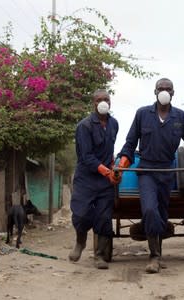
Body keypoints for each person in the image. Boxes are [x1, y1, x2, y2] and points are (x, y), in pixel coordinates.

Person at [117, 78, 184, 274]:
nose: (164, 91)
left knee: (160, 212)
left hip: (168, 172)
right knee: (150, 209)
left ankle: (157, 249)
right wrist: (122, 163)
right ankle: (153, 256)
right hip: (146, 171)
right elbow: (130, 143)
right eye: (161, 88)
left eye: (168, 89)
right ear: (155, 91)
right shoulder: (143, 114)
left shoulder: (181, 117)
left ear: (173, 93)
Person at [69, 89, 120, 269]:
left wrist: (113, 167)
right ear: (94, 103)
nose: (103, 102)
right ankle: (80, 241)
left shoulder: (114, 124)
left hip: (105, 181)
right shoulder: (84, 126)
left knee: (104, 218)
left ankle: (99, 255)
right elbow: (86, 157)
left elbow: (110, 151)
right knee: (81, 214)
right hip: (86, 178)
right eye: (99, 99)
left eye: (106, 99)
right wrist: (106, 172)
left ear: (110, 102)